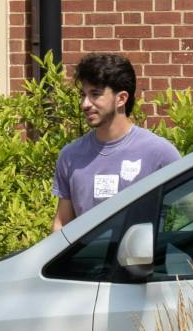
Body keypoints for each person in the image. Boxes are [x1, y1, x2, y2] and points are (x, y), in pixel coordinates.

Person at [51, 53, 180, 229]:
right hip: (87, 257)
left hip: (142, 257)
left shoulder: (159, 153)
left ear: (121, 99)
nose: (85, 104)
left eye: (95, 94)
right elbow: (62, 222)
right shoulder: (70, 155)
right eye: (83, 95)